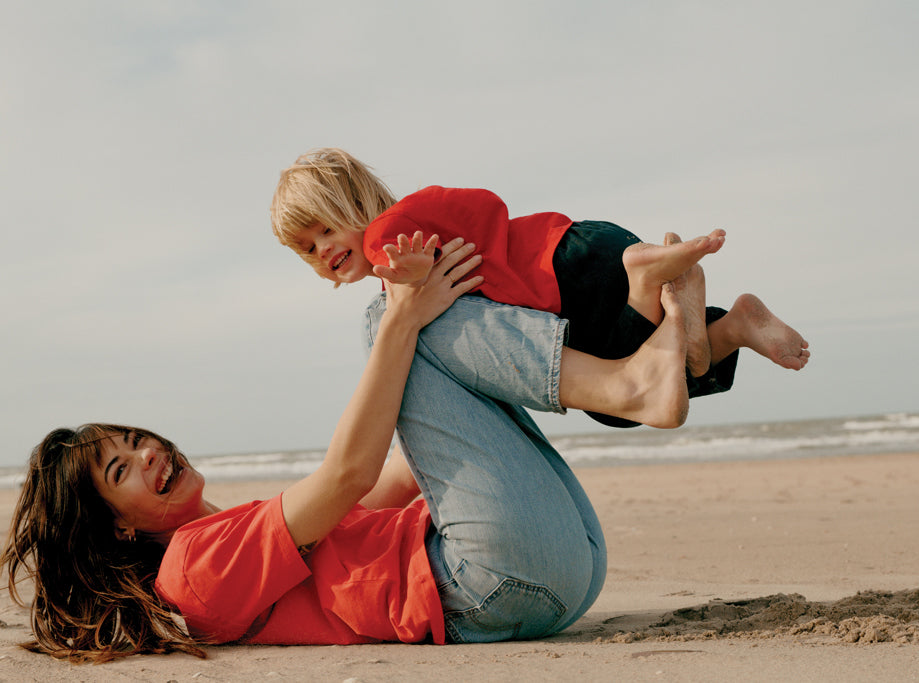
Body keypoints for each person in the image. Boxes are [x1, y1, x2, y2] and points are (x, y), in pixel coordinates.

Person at [3, 237, 705, 663]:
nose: (150, 452)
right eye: (123, 468)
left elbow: (385, 481)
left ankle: (638, 333)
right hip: (490, 583)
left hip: (552, 566)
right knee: (388, 321)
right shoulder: (191, 568)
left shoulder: (231, 532)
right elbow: (347, 472)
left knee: (420, 324)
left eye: (135, 439)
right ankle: (631, 379)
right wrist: (401, 315)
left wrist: (451, 370)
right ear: (118, 524)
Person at [270, 147, 810, 427]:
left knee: (620, 396)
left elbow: (410, 273)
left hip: (563, 280)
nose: (323, 250)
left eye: (325, 227)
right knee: (647, 382)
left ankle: (655, 279)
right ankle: (726, 320)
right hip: (585, 246)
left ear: (357, 206)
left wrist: (409, 276)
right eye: (307, 248)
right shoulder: (424, 211)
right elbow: (484, 203)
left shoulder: (387, 242)